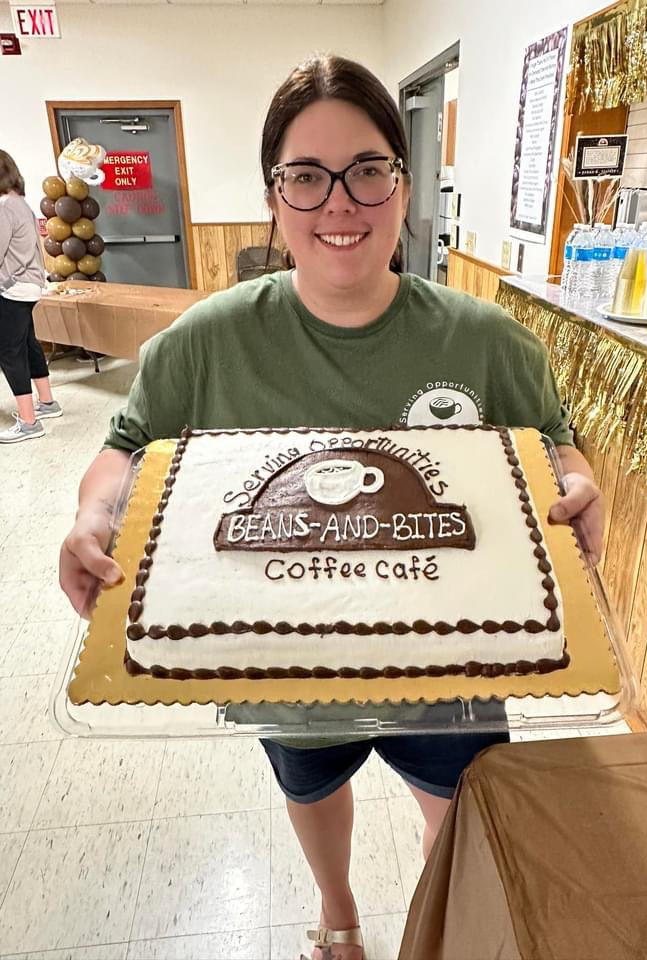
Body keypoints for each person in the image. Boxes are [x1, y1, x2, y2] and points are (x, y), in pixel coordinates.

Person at [59, 56, 604, 960]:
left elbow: (551, 446)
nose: (339, 203)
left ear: (403, 179)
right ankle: (339, 917)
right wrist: (92, 515)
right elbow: (128, 447)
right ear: (274, 196)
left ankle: (441, 928)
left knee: (461, 812)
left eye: (368, 169)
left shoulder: (487, 342)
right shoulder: (208, 340)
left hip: (452, 672)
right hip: (288, 668)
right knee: (311, 789)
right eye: (305, 177)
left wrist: (579, 489)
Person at [0, 150, 62, 443]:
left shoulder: (3, 206)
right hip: (29, 287)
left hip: (11, 288)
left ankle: (28, 422)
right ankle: (47, 402)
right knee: (27, 343)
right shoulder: (20, 203)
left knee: (10, 351)